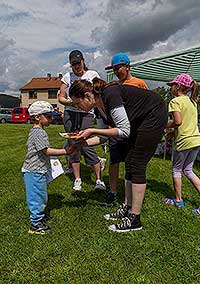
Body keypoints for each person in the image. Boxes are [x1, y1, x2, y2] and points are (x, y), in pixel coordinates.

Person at [67, 77, 168, 232]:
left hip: (154, 115)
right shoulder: (98, 108)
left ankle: (135, 219)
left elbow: (124, 131)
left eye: (77, 103)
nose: (78, 107)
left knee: (137, 163)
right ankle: (127, 207)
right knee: (129, 161)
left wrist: (92, 130)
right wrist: (80, 144)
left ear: (87, 95)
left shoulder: (110, 94)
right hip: (139, 120)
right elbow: (104, 136)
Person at [22, 101, 75, 234]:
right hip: (34, 170)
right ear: (37, 117)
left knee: (40, 195)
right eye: (48, 116)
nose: (51, 119)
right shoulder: (39, 132)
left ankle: (38, 218)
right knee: (37, 197)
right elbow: (46, 151)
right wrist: (65, 152)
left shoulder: (37, 131)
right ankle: (35, 225)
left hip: (37, 170)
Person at [58, 50, 106, 191]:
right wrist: (72, 103)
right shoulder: (67, 77)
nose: (77, 66)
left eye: (78, 63)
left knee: (85, 143)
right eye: (73, 64)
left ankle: (98, 179)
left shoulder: (92, 74)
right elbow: (61, 97)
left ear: (83, 61)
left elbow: (99, 93)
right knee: (73, 142)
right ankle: (77, 178)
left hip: (87, 114)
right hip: (71, 114)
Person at [104, 53, 148, 206]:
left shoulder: (139, 83)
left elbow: (146, 105)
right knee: (114, 161)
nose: (116, 72)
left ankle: (129, 198)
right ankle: (113, 192)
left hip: (133, 131)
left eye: (118, 68)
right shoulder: (115, 85)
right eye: (114, 69)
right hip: (116, 129)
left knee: (131, 163)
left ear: (127, 66)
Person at [164, 74, 200, 215]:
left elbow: (178, 122)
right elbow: (187, 122)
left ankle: (178, 200)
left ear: (178, 87)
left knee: (177, 170)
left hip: (184, 141)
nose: (171, 88)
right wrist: (174, 133)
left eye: (172, 85)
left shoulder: (175, 101)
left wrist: (166, 125)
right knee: (189, 170)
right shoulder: (193, 102)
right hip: (195, 139)